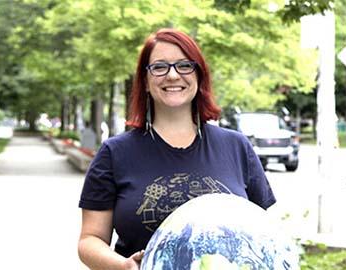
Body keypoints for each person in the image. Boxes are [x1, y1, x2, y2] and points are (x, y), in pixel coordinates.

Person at [78, 28, 276, 270]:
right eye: (160, 67)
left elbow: (265, 236)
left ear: (199, 76)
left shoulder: (236, 146)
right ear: (145, 82)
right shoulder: (115, 153)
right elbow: (90, 240)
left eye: (184, 65)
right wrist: (124, 266)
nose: (172, 75)